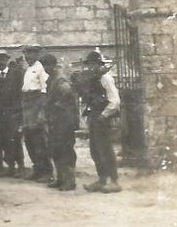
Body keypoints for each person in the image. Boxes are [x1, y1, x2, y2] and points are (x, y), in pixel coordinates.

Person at [78, 49, 122, 193]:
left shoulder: (106, 78)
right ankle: (102, 179)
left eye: (93, 64)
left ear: (99, 64)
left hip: (103, 119)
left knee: (105, 149)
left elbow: (115, 101)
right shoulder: (94, 78)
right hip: (94, 118)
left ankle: (114, 181)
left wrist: (103, 116)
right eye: (89, 64)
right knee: (95, 150)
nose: (91, 67)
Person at [40, 53, 79, 191]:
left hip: (64, 121)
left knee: (65, 150)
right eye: (43, 66)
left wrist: (56, 107)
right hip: (56, 121)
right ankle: (61, 178)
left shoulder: (60, 79)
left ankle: (69, 181)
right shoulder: (52, 79)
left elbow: (68, 94)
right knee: (56, 149)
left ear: (52, 65)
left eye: (46, 65)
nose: (45, 68)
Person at [0, 49, 25, 178]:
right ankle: (11, 167)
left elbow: (21, 95)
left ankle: (20, 166)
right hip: (0, 116)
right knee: (5, 141)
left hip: (14, 114)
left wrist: (19, 114)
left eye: (3, 59)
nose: (1, 62)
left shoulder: (17, 75)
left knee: (15, 140)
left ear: (7, 60)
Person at [21, 43, 53, 181]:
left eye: (30, 53)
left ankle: (46, 171)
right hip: (27, 104)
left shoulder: (41, 68)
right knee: (29, 138)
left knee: (39, 139)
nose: (27, 56)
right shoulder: (28, 69)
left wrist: (41, 111)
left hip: (36, 103)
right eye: (26, 53)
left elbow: (45, 91)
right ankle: (37, 169)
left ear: (37, 54)